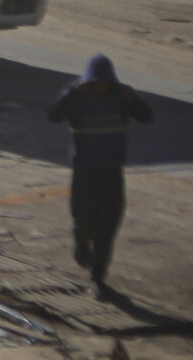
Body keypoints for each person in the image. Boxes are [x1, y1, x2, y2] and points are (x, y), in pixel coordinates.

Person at [48, 53, 156, 289]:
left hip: (111, 172)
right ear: (88, 81)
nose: (100, 87)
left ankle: (98, 276)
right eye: (96, 82)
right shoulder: (78, 95)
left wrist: (133, 99)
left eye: (105, 83)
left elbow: (147, 117)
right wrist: (71, 94)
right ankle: (81, 242)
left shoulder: (122, 97)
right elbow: (53, 115)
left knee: (108, 224)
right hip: (85, 171)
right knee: (84, 218)